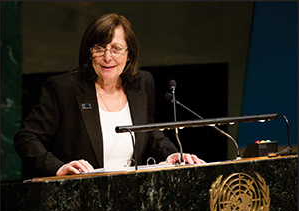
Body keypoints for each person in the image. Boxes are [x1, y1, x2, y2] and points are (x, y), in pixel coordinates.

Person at [14, 13, 205, 178]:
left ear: (129, 54)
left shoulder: (142, 84)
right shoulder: (63, 89)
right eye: (99, 48)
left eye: (116, 49)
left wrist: (171, 154)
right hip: (79, 198)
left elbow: (148, 131)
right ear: (89, 53)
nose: (107, 57)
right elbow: (26, 138)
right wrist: (58, 168)